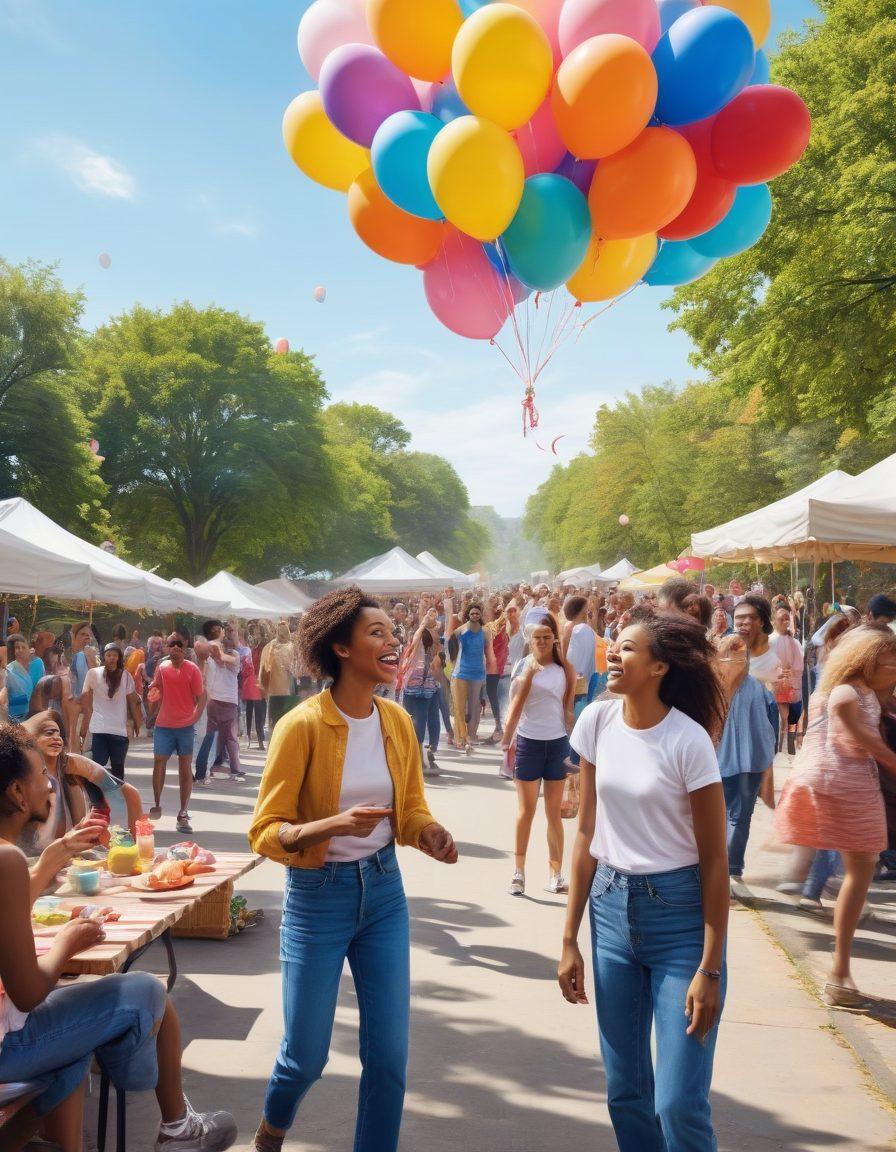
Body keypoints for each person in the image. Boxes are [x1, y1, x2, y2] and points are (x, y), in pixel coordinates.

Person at [248, 586, 457, 1152]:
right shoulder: (301, 725)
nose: (393, 643)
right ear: (340, 648)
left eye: (393, 633)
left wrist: (428, 833)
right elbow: (266, 831)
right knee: (305, 1057)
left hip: (385, 895)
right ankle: (272, 1130)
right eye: (378, 634)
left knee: (389, 1059)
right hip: (318, 899)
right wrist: (329, 826)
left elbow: (410, 810)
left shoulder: (397, 721)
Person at [0, 724, 237, 1152]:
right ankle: (175, 1125)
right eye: (41, 776)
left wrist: (53, 858)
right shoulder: (7, 859)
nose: (49, 784)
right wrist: (66, 944)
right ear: (17, 793)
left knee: (76, 1045)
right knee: (145, 991)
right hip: (7, 1046)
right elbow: (30, 991)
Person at [559, 606, 729, 1152]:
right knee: (626, 1094)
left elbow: (715, 862)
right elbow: (585, 833)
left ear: (659, 668)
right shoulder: (596, 721)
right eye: (615, 643)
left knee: (678, 1104)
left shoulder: (688, 742)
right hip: (609, 917)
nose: (613, 652)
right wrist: (568, 940)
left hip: (680, 923)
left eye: (628, 647)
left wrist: (710, 967)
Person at [774, 626, 896, 1007]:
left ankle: (840, 972)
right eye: (890, 664)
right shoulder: (848, 691)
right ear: (866, 662)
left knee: (860, 871)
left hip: (838, 783)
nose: (895, 669)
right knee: (860, 870)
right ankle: (839, 974)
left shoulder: (855, 689)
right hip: (847, 786)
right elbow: (853, 728)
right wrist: (888, 756)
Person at [502, 617, 576, 896]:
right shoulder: (523, 667)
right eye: (538, 638)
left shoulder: (564, 668)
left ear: (555, 639)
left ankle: (556, 874)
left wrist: (574, 745)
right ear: (530, 641)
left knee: (554, 813)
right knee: (526, 811)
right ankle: (518, 873)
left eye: (548, 637)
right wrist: (507, 740)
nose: (543, 641)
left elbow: (567, 708)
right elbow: (516, 704)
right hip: (529, 744)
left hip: (557, 744)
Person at [715, 634, 777, 887]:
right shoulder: (757, 689)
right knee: (737, 817)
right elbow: (773, 729)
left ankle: (727, 869)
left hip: (728, 764)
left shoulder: (713, 688)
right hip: (744, 763)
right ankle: (729, 869)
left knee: (729, 818)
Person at [148, 633, 206, 834]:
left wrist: (195, 717)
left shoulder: (193, 669)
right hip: (164, 724)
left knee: (184, 766)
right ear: (166, 647)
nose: (175, 647)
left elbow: (201, 697)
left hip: (185, 726)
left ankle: (183, 812)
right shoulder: (162, 668)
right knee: (159, 762)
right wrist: (152, 697)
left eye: (179, 644)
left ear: (185, 647)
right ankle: (157, 803)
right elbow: (156, 688)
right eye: (171, 644)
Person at [80, 644, 142, 781]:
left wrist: (137, 723)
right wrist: (83, 727)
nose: (112, 658)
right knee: (97, 765)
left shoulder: (126, 676)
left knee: (118, 768)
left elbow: (133, 701)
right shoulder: (93, 674)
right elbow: (85, 699)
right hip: (99, 729)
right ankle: (97, 798)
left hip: (119, 731)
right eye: (109, 655)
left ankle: (117, 798)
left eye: (115, 655)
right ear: (103, 657)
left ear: (119, 658)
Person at [194, 621, 243, 784]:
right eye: (224, 631)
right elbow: (221, 657)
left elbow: (222, 657)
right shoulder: (222, 653)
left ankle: (203, 771)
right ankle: (232, 769)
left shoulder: (214, 652)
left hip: (211, 699)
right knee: (227, 736)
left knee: (211, 736)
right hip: (222, 700)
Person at [400, 607, 443, 776]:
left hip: (419, 682)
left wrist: (424, 623)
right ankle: (425, 754)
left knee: (417, 719)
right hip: (426, 682)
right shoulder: (432, 640)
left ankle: (419, 757)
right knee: (425, 718)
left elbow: (418, 637)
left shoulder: (421, 641)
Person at [447, 602, 493, 755]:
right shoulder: (461, 630)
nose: (475, 616)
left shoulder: (485, 631)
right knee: (460, 708)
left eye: (477, 613)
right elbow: (450, 643)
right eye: (472, 613)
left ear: (480, 615)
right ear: (468, 615)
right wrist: (453, 663)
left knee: (474, 707)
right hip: (461, 673)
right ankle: (461, 738)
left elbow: (488, 651)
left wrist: (491, 666)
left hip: (478, 673)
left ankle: (471, 735)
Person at [769, 605, 805, 754]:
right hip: (774, 685)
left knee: (790, 719)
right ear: (774, 621)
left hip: (791, 685)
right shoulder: (769, 641)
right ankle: (777, 749)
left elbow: (799, 664)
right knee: (778, 719)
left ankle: (788, 748)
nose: (784, 621)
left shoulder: (794, 642)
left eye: (786, 618)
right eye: (781, 618)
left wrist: (792, 673)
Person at [734, 594, 783, 693]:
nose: (745, 622)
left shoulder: (779, 648)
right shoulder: (731, 653)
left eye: (752, 617)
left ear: (762, 622)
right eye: (739, 618)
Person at [64, 622, 99, 753]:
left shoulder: (91, 654)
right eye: (83, 634)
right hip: (73, 708)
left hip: (89, 709)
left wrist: (91, 659)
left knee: (85, 751)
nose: (87, 638)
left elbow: (97, 680)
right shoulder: (66, 655)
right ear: (74, 636)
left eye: (88, 635)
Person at [260, 622, 299, 729]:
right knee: (287, 725)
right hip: (288, 691)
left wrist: (263, 687)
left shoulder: (269, 647)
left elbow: (263, 669)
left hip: (274, 692)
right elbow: (296, 670)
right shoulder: (291, 647)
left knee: (276, 724)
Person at [241, 627, 267, 752]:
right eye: (253, 634)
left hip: (259, 685)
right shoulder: (252, 650)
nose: (255, 636)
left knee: (258, 713)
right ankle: (252, 739)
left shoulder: (263, 649)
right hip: (252, 684)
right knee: (250, 711)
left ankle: (260, 740)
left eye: (257, 634)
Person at [5, 635, 42, 722]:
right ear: (11, 650)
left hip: (29, 716)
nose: (21, 650)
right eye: (17, 647)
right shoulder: (9, 672)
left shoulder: (37, 664)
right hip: (14, 720)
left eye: (23, 647)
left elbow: (38, 691)